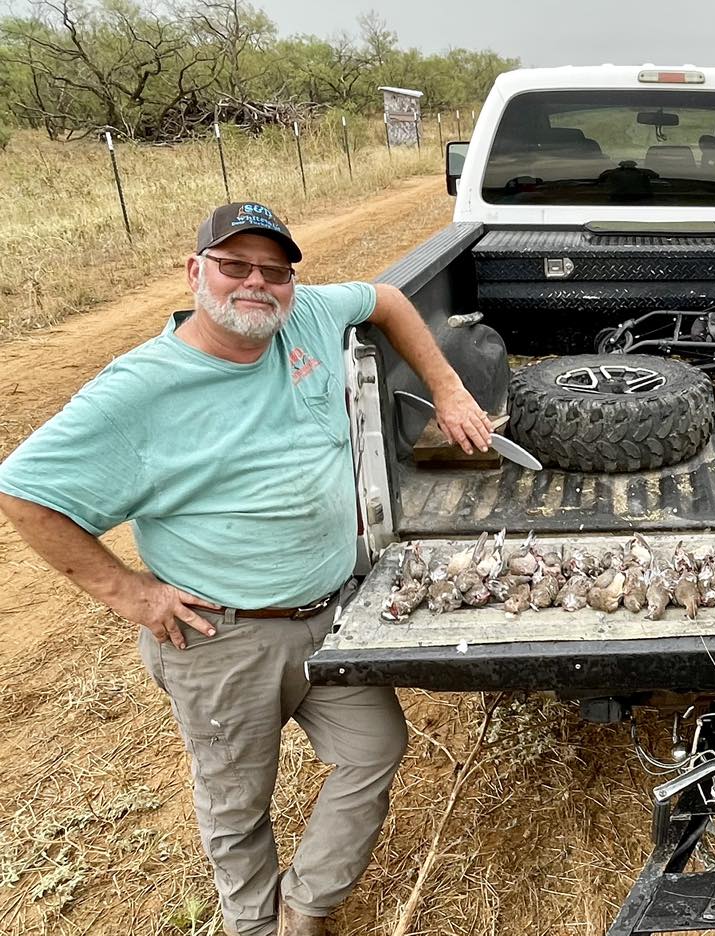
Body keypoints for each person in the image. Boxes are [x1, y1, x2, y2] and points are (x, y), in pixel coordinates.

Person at [0, 203, 493, 936]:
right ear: (196, 272)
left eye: (274, 269)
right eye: (235, 266)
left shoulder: (307, 317)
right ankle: (253, 927)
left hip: (329, 614)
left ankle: (306, 905)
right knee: (237, 804)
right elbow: (25, 490)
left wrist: (449, 386)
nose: (256, 283)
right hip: (223, 637)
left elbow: (387, 300)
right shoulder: (142, 390)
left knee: (376, 749)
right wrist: (130, 593)